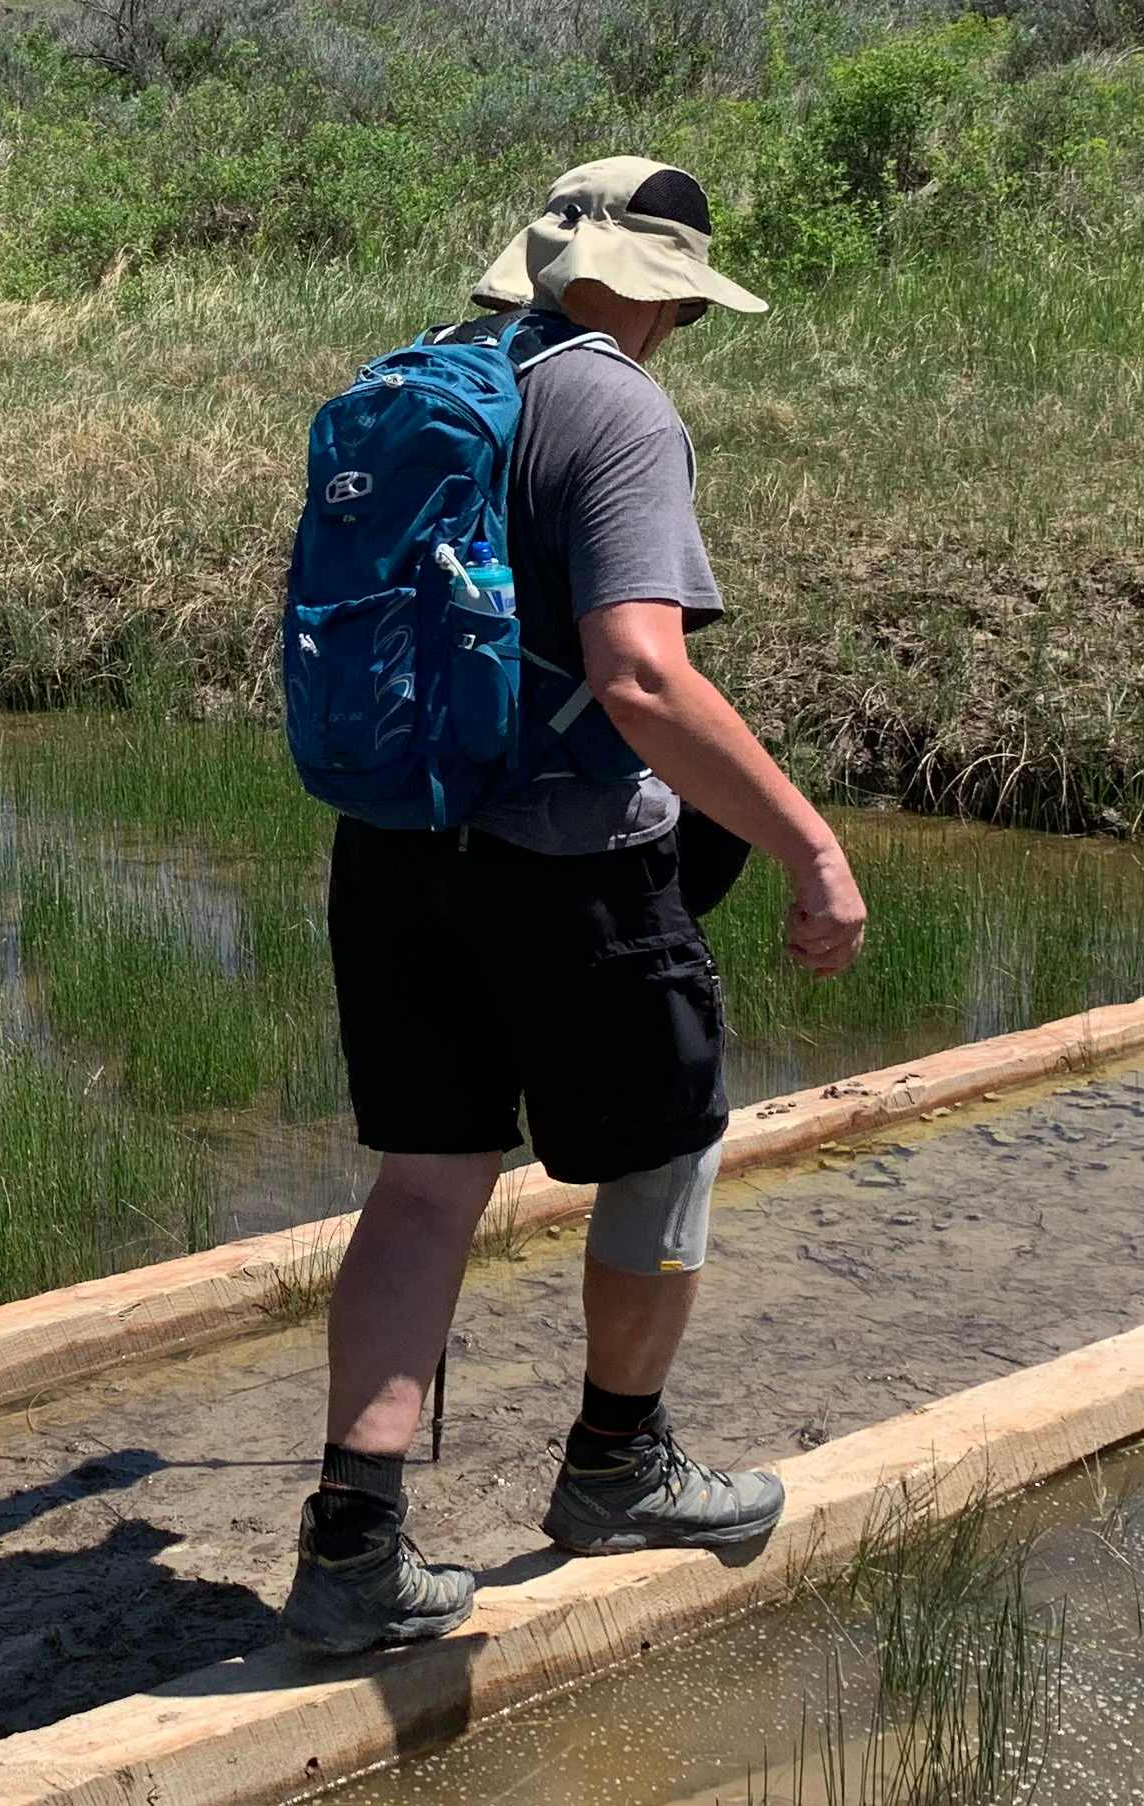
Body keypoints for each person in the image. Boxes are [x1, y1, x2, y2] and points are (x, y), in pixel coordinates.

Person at [283, 155, 870, 1657]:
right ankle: (620, 1466)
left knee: (425, 1186)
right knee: (669, 1150)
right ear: (658, 286)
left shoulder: (441, 380)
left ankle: (354, 1544)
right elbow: (640, 675)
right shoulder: (616, 407)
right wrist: (809, 847)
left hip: (402, 844)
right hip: (571, 862)